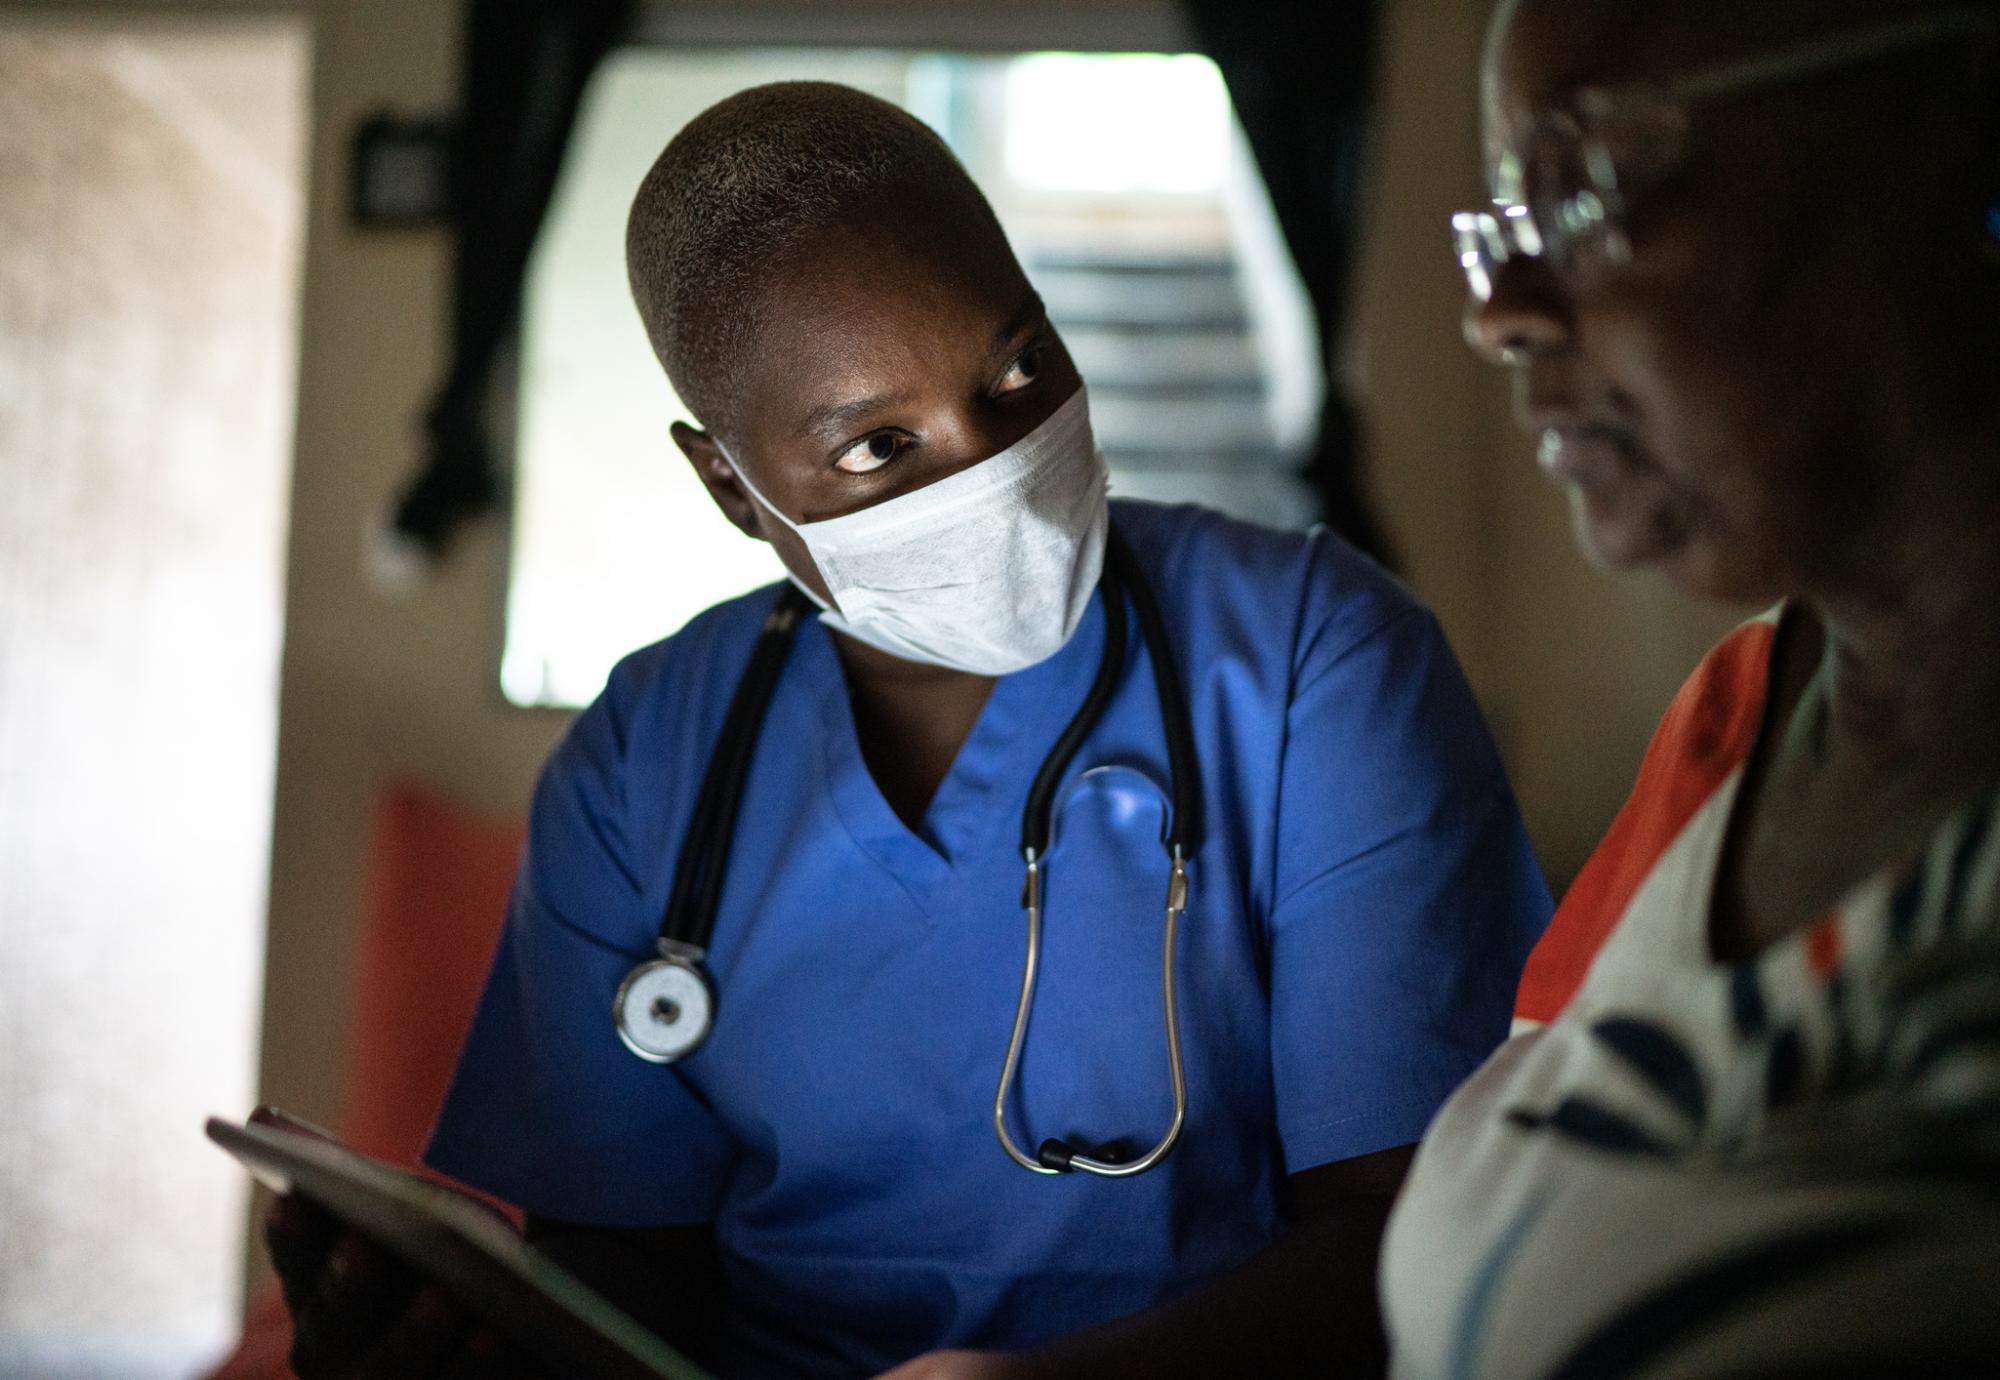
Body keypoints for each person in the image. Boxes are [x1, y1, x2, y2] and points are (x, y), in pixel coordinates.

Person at [265, 82, 1552, 1380]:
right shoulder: (642, 763)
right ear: (731, 483)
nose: (993, 465)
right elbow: (622, 1272)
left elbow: (1419, 1234)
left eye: (1019, 369)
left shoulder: (1316, 660)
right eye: (881, 448)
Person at [1382, 2, 2000, 1375]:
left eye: (1580, 177)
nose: (1500, 315)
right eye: (1504, 219)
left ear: (1963, 118)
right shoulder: (1745, 718)